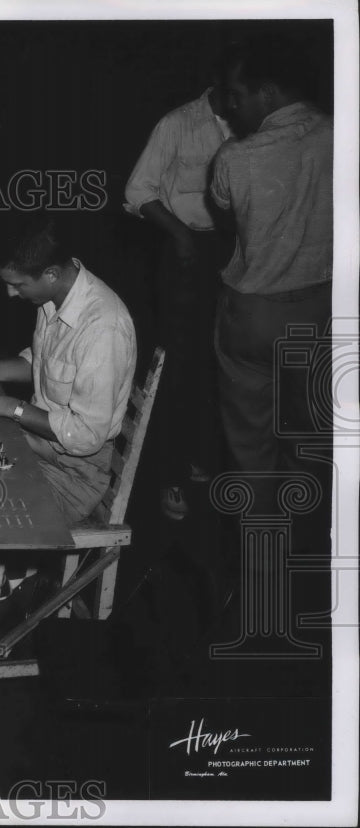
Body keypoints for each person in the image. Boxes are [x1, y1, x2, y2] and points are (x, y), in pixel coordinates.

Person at [209, 36, 332, 510]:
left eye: (237, 96)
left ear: (269, 91)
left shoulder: (235, 158)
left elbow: (225, 214)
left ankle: (260, 566)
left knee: (249, 450)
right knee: (309, 440)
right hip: (319, 312)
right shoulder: (340, 134)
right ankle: (308, 548)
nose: (232, 109)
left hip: (252, 314)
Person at [0, 217, 137, 524]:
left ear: (51, 273)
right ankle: (2, 571)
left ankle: (6, 569)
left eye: (18, 285)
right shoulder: (55, 297)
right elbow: (45, 365)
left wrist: (10, 406)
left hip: (73, 476)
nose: (12, 293)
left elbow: (86, 435)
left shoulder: (104, 328)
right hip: (38, 445)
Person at [124, 73, 232, 520]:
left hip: (228, 252)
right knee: (173, 366)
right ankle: (167, 475)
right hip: (182, 250)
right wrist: (180, 237)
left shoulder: (253, 124)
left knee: (216, 362)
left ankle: (195, 454)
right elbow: (136, 191)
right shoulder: (178, 123)